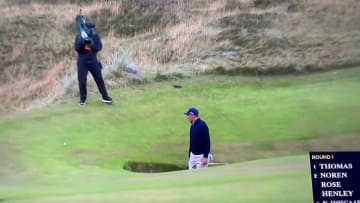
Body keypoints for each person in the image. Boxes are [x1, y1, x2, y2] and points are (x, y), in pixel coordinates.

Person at [74, 22, 112, 105]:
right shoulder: (79, 36)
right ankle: (83, 99)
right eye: (91, 28)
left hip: (93, 60)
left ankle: (105, 97)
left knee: (99, 79)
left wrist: (91, 45)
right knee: (82, 80)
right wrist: (82, 43)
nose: (92, 30)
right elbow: (77, 48)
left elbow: (99, 47)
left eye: (93, 28)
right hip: (82, 61)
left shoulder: (95, 36)